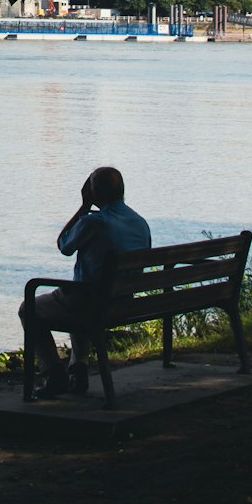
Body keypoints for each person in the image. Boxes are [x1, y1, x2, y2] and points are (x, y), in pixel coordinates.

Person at [20, 165, 151, 397]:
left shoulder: (93, 222)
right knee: (82, 295)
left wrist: (83, 207)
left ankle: (54, 374)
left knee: (29, 308)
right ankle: (78, 369)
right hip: (123, 302)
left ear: (94, 193)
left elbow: (64, 245)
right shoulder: (140, 223)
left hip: (94, 303)